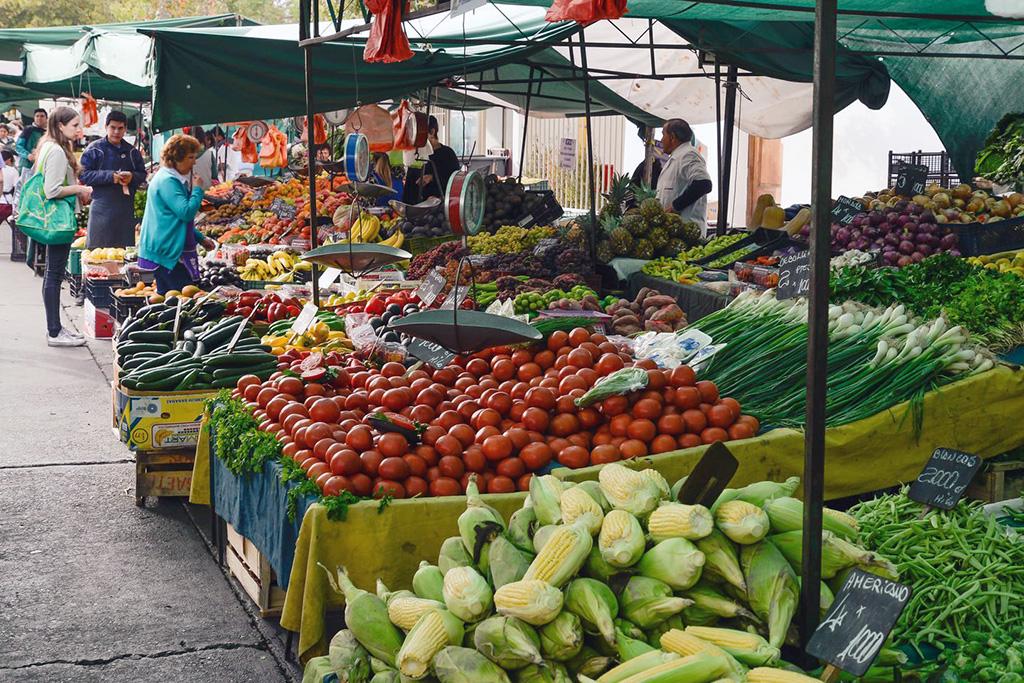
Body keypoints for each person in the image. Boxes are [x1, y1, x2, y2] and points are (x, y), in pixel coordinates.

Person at [32, 106, 93, 347]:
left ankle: (55, 329)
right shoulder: (56, 151)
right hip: (58, 222)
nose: (79, 129)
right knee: (54, 275)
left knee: (52, 274)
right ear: (60, 126)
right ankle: (55, 332)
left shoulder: (49, 146)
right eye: (75, 125)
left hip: (54, 220)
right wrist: (80, 189)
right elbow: (52, 190)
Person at [138, 134, 217, 295]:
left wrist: (200, 238)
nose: (194, 162)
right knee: (181, 300)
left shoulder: (170, 178)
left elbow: (177, 219)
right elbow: (186, 213)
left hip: (169, 248)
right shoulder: (167, 181)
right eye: (190, 157)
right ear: (176, 158)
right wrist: (197, 189)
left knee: (174, 299)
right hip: (167, 252)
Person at [78, 111, 147, 248]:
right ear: (106, 127)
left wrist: (132, 177)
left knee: (123, 255)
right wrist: (110, 176)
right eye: (113, 127)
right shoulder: (94, 149)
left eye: (120, 128)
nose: (116, 131)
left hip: (125, 210)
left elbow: (142, 174)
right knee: (96, 256)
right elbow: (83, 175)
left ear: (125, 129)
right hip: (101, 208)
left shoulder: (132, 152)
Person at [656, 118, 713, 235]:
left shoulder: (689, 155)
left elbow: (704, 184)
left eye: (663, 135)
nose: (661, 140)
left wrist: (675, 206)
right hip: (674, 233)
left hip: (688, 233)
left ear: (672, 137)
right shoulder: (676, 157)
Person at [420, 115, 460, 200]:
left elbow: (455, 180)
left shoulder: (448, 154)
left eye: (421, 134)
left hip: (441, 204)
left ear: (432, 132)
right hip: (419, 203)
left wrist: (432, 177)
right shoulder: (418, 154)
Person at [14, 109, 47, 207]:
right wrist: (28, 155)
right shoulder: (28, 130)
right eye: (37, 116)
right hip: (27, 165)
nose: (39, 118)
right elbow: (18, 146)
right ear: (34, 118)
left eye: (42, 116)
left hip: (42, 166)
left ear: (46, 118)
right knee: (25, 189)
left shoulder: (47, 132)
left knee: (39, 190)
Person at [190, 125, 218, 190]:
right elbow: (214, 176)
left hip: (188, 194)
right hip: (207, 194)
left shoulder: (182, 156)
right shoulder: (209, 154)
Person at [0, 149, 17, 226]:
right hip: (8, 204)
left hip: (1, 201)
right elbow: (16, 188)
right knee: (15, 230)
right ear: (9, 159)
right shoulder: (13, 171)